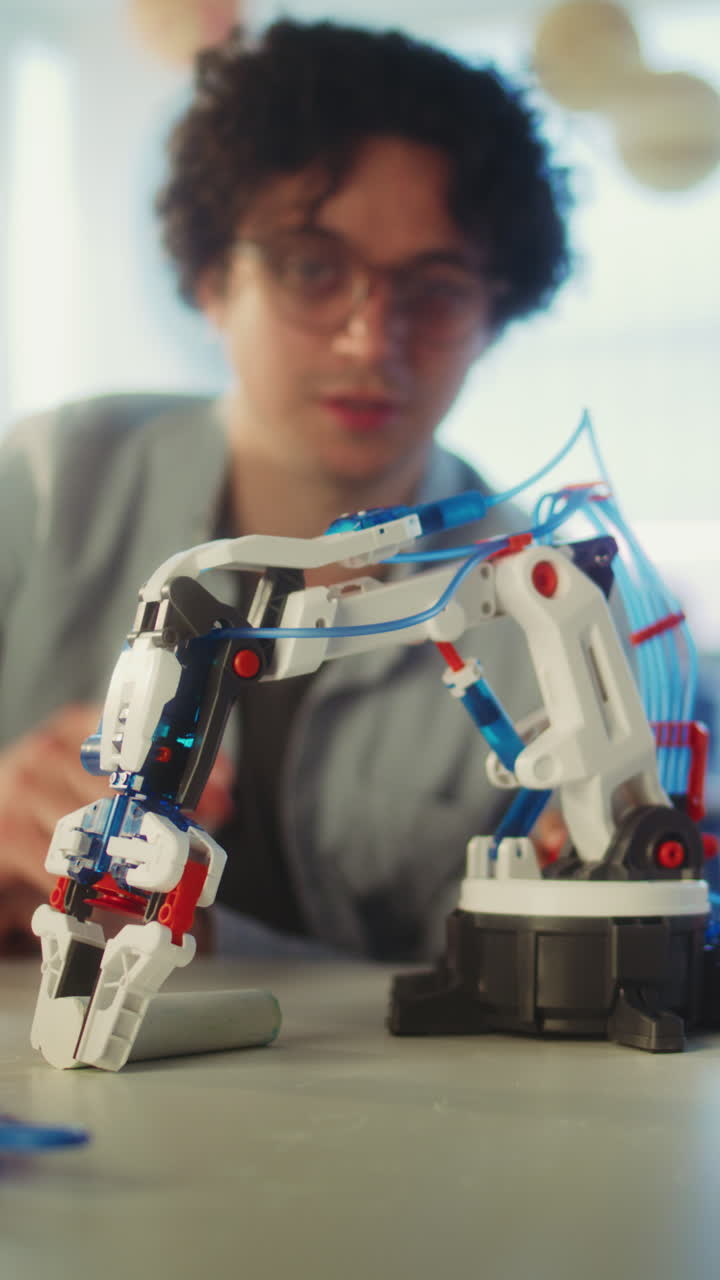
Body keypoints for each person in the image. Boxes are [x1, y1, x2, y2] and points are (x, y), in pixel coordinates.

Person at [0, 19, 571, 960]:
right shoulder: (47, 487)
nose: (368, 341)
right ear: (214, 277)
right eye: (313, 267)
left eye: (434, 288)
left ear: (493, 312)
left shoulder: (542, 612)